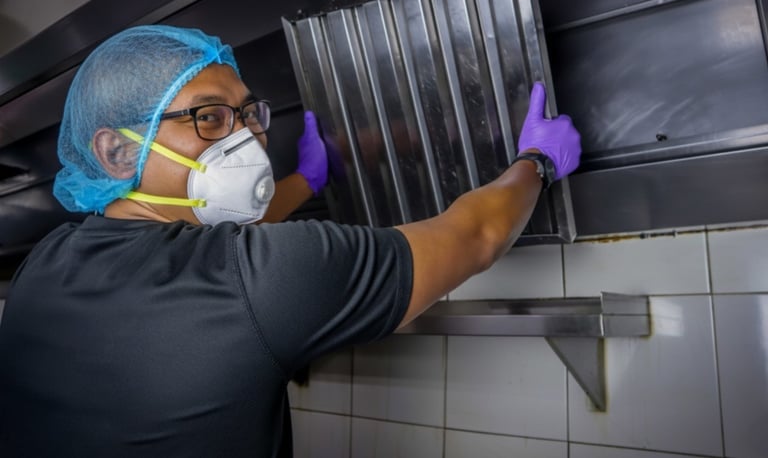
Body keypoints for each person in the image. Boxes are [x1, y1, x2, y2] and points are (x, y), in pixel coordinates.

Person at [0, 24, 581, 457]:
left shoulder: (46, 263)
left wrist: (305, 181)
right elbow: (476, 235)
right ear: (118, 151)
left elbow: (220, 245)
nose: (248, 139)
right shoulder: (261, 275)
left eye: (248, 114)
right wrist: (536, 162)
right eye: (210, 118)